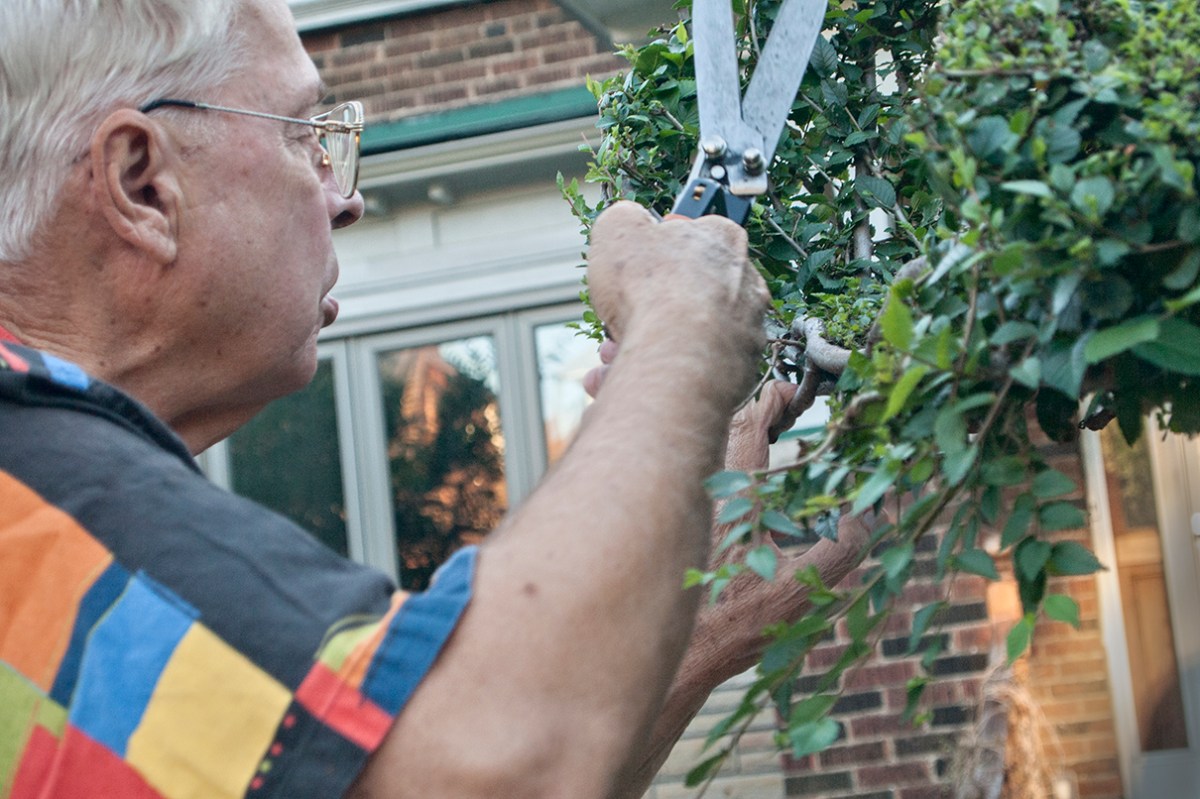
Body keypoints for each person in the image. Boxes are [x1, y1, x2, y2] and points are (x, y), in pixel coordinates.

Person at [0, 1, 868, 797]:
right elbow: (492, 765)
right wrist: (684, 324)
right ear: (141, 182)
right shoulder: (31, 503)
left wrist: (690, 638)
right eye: (306, 131)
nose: (347, 198)